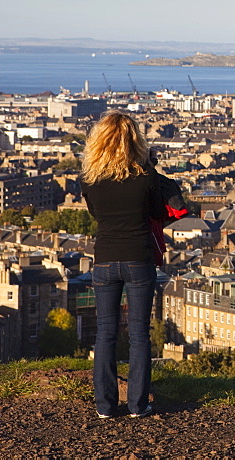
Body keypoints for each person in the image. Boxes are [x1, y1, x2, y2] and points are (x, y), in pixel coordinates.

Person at [80, 110, 164, 419]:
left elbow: (96, 215)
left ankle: (104, 405)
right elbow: (157, 211)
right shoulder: (147, 176)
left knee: (106, 332)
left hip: (104, 259)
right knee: (139, 333)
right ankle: (137, 405)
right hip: (139, 258)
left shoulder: (89, 179)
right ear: (135, 140)